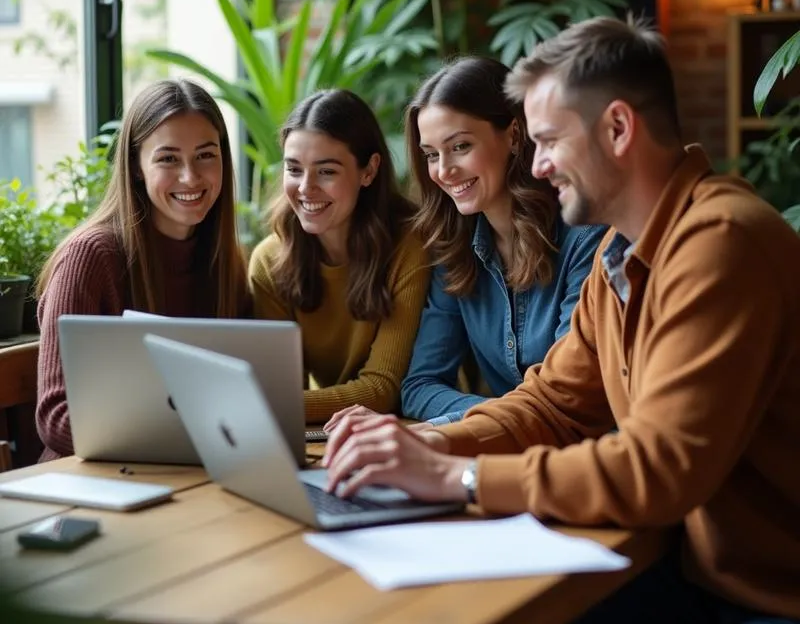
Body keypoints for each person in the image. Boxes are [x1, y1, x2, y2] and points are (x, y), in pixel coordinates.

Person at [323, 18, 800, 624]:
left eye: (548, 140)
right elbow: (552, 402)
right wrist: (433, 445)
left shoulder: (720, 243)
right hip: (688, 573)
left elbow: (655, 468)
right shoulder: (621, 257)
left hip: (774, 600)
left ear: (618, 129)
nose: (539, 165)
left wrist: (454, 476)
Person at [327, 56, 604, 431]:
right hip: (505, 451)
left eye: (460, 146)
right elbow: (420, 386)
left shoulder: (586, 238)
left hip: (588, 463)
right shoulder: (454, 248)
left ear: (514, 135)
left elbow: (568, 397)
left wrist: (471, 420)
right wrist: (500, 416)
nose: (443, 170)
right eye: (430, 155)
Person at [36, 79, 251, 460]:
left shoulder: (225, 260)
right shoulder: (89, 257)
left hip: (195, 473)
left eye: (206, 155)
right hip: (92, 487)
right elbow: (57, 417)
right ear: (136, 166)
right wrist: (199, 439)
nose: (190, 176)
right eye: (168, 158)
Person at [248, 89, 430, 425]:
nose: (305, 187)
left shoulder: (408, 249)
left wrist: (269, 405)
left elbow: (382, 390)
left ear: (369, 171)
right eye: (294, 169)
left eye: (326, 171)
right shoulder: (269, 260)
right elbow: (284, 388)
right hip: (328, 431)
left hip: (411, 428)